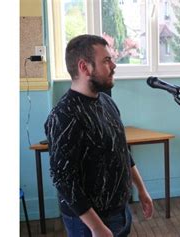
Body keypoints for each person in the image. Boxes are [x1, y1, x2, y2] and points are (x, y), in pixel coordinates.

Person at [44, 34, 154, 237]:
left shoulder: (107, 102)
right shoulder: (64, 115)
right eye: (106, 60)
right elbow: (63, 180)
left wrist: (141, 189)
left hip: (119, 210)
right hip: (89, 222)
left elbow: (122, 152)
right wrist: (95, 227)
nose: (114, 65)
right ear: (84, 67)